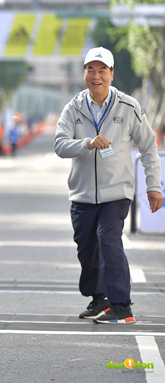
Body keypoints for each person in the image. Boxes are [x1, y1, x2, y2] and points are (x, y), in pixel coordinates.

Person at [54, 46, 163, 324]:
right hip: (82, 195)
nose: (96, 75)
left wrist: (154, 186)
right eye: (91, 69)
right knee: (86, 248)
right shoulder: (73, 108)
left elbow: (149, 147)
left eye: (102, 70)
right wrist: (87, 143)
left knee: (108, 239)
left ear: (111, 74)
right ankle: (99, 299)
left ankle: (121, 305)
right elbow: (60, 145)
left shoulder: (129, 107)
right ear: (84, 74)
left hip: (117, 193)